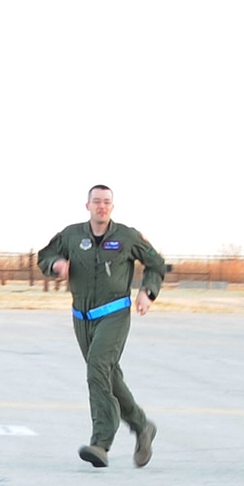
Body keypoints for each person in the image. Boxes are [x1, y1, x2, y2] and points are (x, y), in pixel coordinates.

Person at [35, 184, 166, 467]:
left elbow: (156, 263)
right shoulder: (71, 235)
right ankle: (142, 426)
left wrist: (148, 292)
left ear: (112, 207)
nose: (102, 206)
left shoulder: (127, 237)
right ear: (88, 206)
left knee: (97, 367)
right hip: (82, 317)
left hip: (115, 313)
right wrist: (57, 264)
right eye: (97, 201)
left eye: (107, 202)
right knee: (108, 376)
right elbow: (43, 256)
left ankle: (101, 443)